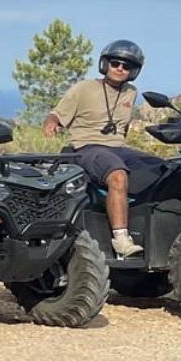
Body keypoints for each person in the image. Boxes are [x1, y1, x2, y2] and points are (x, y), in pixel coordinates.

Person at [43, 39, 153, 257]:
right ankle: (121, 239)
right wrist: (51, 122)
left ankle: (152, 229)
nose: (120, 68)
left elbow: (124, 127)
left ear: (134, 71)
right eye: (115, 63)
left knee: (161, 169)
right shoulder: (84, 88)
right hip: (86, 147)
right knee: (117, 175)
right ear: (105, 64)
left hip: (118, 148)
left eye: (126, 66)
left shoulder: (131, 92)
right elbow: (56, 113)